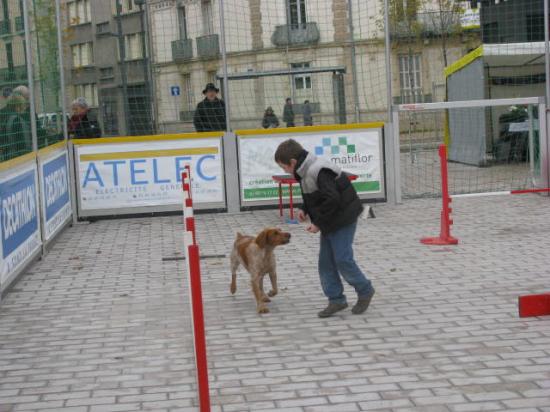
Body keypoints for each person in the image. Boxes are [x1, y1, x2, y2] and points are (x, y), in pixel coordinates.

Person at [274, 139, 375, 318]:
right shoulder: (304, 172)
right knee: (326, 262)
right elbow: (312, 196)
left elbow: (333, 199)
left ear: (293, 162)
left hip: (344, 217)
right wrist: (304, 209)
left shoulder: (318, 170)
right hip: (331, 219)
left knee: (343, 259)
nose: (285, 172)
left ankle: (365, 289)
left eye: (284, 168)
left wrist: (318, 223)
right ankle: (336, 300)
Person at [0, 94, 32, 160]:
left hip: (8, 158)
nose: (24, 108)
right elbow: (24, 143)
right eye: (23, 105)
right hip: (20, 158)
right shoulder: (17, 120)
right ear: (18, 106)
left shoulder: (6, 119)